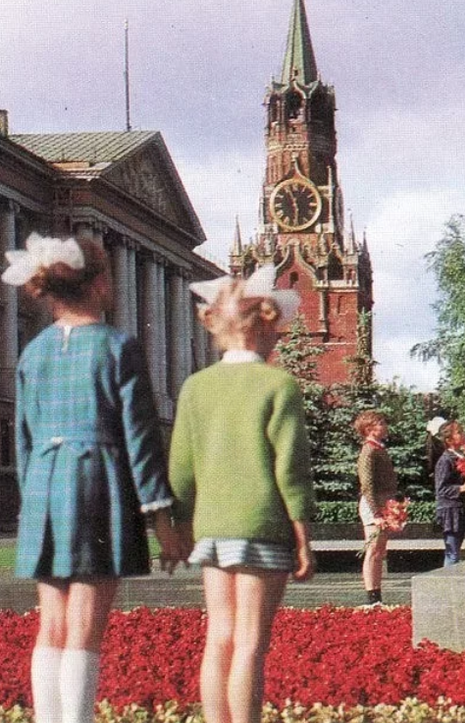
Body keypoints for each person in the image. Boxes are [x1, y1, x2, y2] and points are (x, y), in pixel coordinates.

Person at [5, 232, 182, 723]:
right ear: (100, 283)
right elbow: (141, 440)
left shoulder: (32, 353)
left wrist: (34, 496)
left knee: (52, 624)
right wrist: (161, 517)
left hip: (43, 485)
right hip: (96, 482)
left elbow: (23, 439)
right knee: (84, 625)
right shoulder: (118, 346)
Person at [170, 265, 315, 723]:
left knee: (220, 636)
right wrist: (303, 534)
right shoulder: (278, 384)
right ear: (268, 322)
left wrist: (179, 525)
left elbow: (181, 469)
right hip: (264, 528)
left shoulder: (196, 387)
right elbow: (290, 469)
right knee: (251, 641)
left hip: (211, 529)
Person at [355, 410, 398, 606]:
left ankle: (377, 595)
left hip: (384, 503)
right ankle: (372, 596)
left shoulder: (379, 448)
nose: (385, 426)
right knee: (373, 550)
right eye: (380, 423)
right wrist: (376, 513)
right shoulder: (369, 450)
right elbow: (367, 484)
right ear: (369, 429)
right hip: (374, 506)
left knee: (380, 551)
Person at [433, 420, 465, 567]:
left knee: (456, 549)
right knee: (452, 552)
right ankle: (448, 583)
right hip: (450, 511)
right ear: (449, 440)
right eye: (459, 432)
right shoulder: (445, 460)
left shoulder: (460, 457)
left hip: (459, 508)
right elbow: (441, 489)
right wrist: (461, 488)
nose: (464, 434)